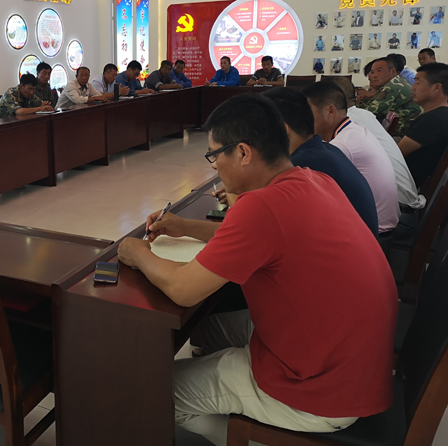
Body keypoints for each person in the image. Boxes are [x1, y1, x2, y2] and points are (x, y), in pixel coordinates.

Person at [117, 93, 395, 446]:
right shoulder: (312, 179)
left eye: (215, 155)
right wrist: (184, 226)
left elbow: (182, 288)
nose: (214, 166)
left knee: (151, 389)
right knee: (204, 329)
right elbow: (255, 238)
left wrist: (138, 252)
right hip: (350, 360)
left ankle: (253, 437)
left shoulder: (262, 206)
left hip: (320, 389)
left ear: (243, 153)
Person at [266, 87, 378, 235]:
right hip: (369, 242)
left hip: (363, 244)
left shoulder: (304, 164)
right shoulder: (324, 149)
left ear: (282, 129)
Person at [303, 81, 400, 235]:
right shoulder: (354, 129)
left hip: (376, 233)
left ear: (330, 111)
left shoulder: (342, 145)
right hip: (385, 222)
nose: (302, 120)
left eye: (307, 113)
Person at [328, 77, 424, 210]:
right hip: (405, 202)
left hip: (397, 209)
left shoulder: (347, 123)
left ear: (329, 107)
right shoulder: (364, 115)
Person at [398, 63, 448, 188]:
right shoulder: (440, 115)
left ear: (436, 87)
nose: (412, 88)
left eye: (417, 83)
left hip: (406, 186)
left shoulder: (433, 120)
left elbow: (397, 154)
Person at [356, 57, 422, 139]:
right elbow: (371, 103)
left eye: (379, 71)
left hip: (405, 136)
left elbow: (370, 112)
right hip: (401, 133)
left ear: (393, 71)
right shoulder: (392, 82)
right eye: (373, 72)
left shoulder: (394, 86)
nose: (375, 75)